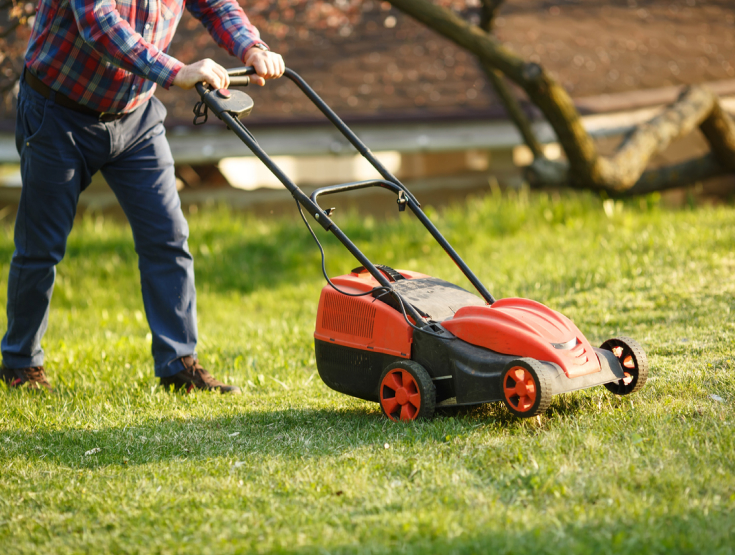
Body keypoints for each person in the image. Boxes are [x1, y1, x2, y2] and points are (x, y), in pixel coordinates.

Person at [0, 0, 284, 393]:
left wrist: (252, 46)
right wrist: (176, 71)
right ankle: (20, 363)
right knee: (40, 247)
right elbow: (99, 24)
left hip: (135, 117)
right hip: (58, 111)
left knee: (168, 237)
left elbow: (217, 5)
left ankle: (178, 364)